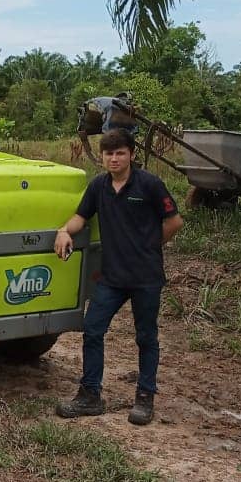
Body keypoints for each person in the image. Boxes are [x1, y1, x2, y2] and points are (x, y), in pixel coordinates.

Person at [53, 128, 183, 426]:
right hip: (111, 277)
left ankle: (145, 397)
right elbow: (80, 216)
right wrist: (63, 231)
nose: (114, 159)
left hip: (146, 277)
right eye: (109, 153)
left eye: (120, 153)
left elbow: (174, 221)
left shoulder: (149, 184)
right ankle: (90, 396)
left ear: (132, 155)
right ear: (102, 157)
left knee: (146, 337)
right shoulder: (99, 186)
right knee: (93, 329)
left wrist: (150, 245)